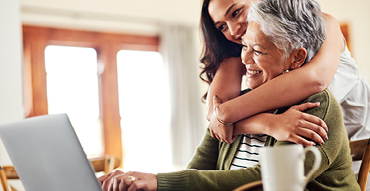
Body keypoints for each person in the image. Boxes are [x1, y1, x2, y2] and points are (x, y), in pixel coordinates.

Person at [98, 0, 360, 190]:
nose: (235, 32)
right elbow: (213, 127)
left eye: (256, 49)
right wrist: (143, 181)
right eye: (244, 45)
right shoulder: (242, 83)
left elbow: (265, 181)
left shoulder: (315, 102)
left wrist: (158, 182)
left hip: (355, 136)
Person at [203, 0, 370, 180]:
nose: (233, 30)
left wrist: (227, 114)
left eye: (236, 13)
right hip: (306, 158)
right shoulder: (242, 52)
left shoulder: (323, 24)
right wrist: (268, 123)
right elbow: (215, 115)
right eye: (222, 27)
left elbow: (315, 79)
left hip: (358, 154)